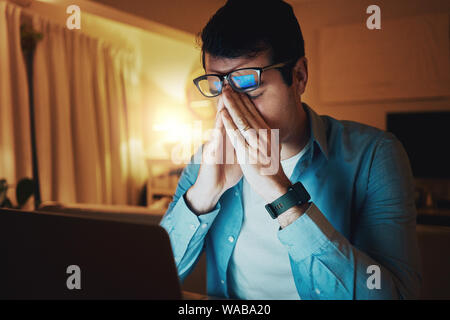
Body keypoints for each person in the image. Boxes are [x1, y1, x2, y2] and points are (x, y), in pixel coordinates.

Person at [160, 0, 421, 299]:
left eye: (251, 91)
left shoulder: (376, 156)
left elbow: (395, 296)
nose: (230, 108)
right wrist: (202, 196)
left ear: (299, 76)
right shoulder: (208, 159)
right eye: (219, 91)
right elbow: (151, 277)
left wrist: (282, 196)